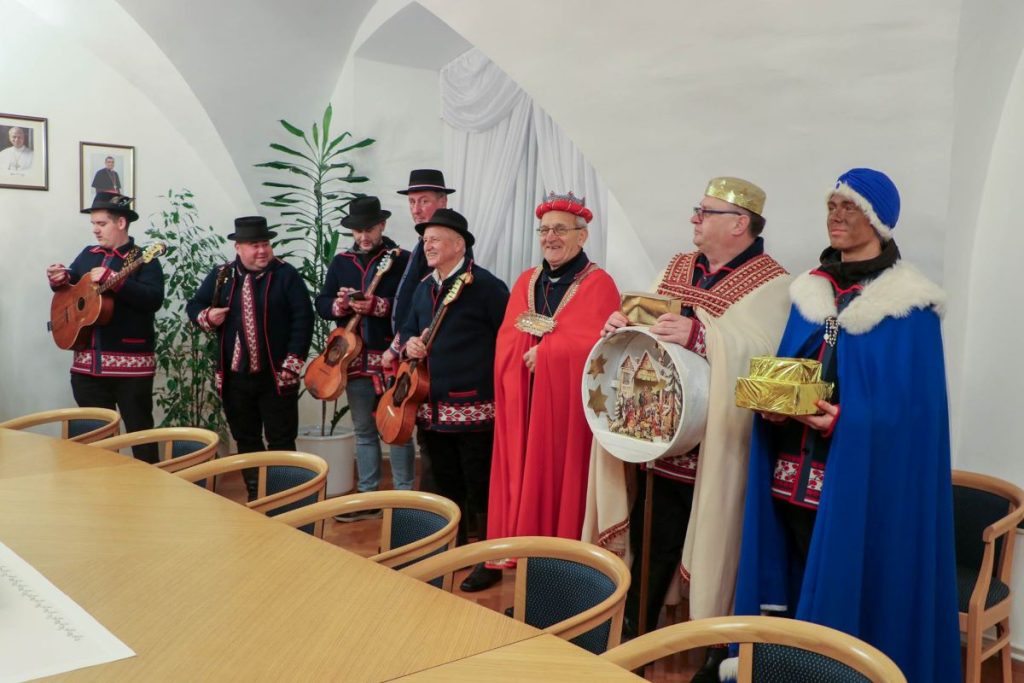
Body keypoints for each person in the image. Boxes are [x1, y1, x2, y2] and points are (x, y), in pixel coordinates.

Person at [732, 168, 960, 683]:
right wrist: (773, 404)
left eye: (848, 207)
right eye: (831, 206)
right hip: (791, 477)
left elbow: (914, 418)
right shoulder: (811, 292)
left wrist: (847, 421)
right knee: (794, 582)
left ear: (877, 221)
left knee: (846, 587)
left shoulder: (910, 307)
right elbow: (792, 367)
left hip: (862, 487)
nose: (835, 216)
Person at [584, 177, 790, 682]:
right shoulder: (678, 266)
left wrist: (703, 335)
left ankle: (714, 650)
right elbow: (649, 322)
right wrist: (622, 325)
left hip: (721, 451)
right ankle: (634, 635)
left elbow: (767, 356)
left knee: (719, 548)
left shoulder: (774, 283)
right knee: (652, 538)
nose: (694, 218)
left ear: (739, 224)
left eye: (705, 211)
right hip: (659, 438)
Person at [487, 192, 620, 548]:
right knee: (519, 474)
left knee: (559, 478)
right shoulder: (527, 281)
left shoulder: (599, 283)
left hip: (566, 412)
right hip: (525, 402)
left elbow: (602, 348)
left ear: (582, 235)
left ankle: (557, 556)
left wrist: (548, 354)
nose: (550, 237)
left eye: (560, 229)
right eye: (544, 230)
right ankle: (515, 549)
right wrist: (529, 350)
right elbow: (507, 336)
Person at [399, 208, 509, 591]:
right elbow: (408, 330)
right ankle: (452, 552)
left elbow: (508, 341)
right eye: (425, 240)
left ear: (459, 245)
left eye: (435, 239)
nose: (427, 245)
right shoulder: (423, 287)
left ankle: (489, 562)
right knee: (444, 487)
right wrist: (410, 344)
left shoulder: (487, 287)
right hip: (430, 408)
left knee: (481, 490)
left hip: (475, 411)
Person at [187, 216, 313, 500]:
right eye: (254, 245)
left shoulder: (286, 275)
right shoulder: (222, 275)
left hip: (276, 376)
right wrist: (208, 316)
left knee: (281, 440)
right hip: (235, 378)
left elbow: (303, 319)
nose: (262, 251)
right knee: (246, 439)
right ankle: (258, 498)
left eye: (265, 244)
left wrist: (292, 363)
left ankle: (284, 499)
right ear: (238, 248)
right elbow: (194, 305)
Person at [315, 196, 414, 521]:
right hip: (353, 360)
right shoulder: (341, 262)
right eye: (357, 230)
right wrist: (340, 306)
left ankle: (404, 499)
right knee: (364, 431)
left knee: (397, 428)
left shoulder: (403, 260)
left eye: (369, 229)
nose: (363, 236)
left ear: (382, 225)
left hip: (391, 357)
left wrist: (378, 306)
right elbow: (322, 303)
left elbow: (413, 306)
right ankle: (367, 497)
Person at [46, 192, 164, 463]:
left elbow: (153, 299)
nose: (95, 230)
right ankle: (101, 487)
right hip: (86, 370)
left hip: (131, 370)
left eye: (101, 224)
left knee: (141, 436)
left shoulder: (145, 259)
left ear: (121, 223)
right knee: (95, 444)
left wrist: (117, 280)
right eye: (94, 224)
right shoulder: (88, 255)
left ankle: (149, 485)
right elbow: (71, 288)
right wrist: (58, 278)